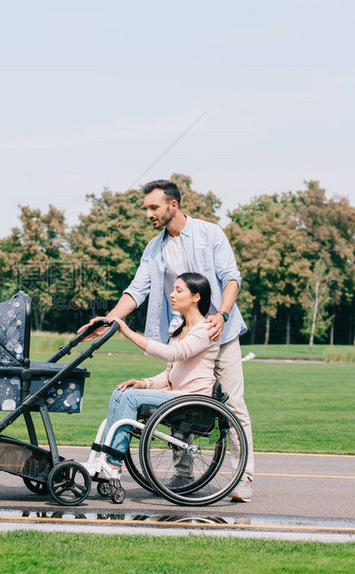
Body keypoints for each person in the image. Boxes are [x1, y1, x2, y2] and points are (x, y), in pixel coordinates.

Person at [79, 179, 254, 502]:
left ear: (173, 205)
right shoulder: (154, 248)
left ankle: (243, 477)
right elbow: (137, 290)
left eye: (153, 207)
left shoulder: (209, 233)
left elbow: (231, 277)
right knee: (177, 395)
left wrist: (223, 314)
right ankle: (183, 473)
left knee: (234, 407)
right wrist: (108, 321)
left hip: (220, 332)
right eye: (146, 208)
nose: (148, 214)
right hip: (182, 333)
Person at [83, 273, 219, 480]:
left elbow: (174, 354)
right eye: (173, 289)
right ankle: (104, 458)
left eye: (179, 290)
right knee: (122, 392)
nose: (172, 295)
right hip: (175, 395)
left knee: (130, 398)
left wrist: (128, 333)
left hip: (192, 399)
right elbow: (170, 374)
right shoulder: (180, 330)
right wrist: (144, 383)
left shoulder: (206, 330)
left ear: (196, 297)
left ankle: (113, 462)